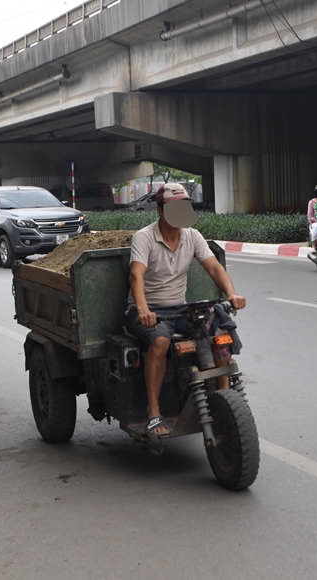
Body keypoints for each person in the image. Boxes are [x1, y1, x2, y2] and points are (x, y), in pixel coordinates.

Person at [127, 183, 246, 438]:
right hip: (151, 311)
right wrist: (143, 309)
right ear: (160, 210)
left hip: (180, 309)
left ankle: (223, 397)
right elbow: (136, 276)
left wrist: (231, 293)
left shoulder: (192, 236)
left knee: (219, 329)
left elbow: (214, 268)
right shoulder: (144, 237)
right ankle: (153, 411)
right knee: (160, 342)